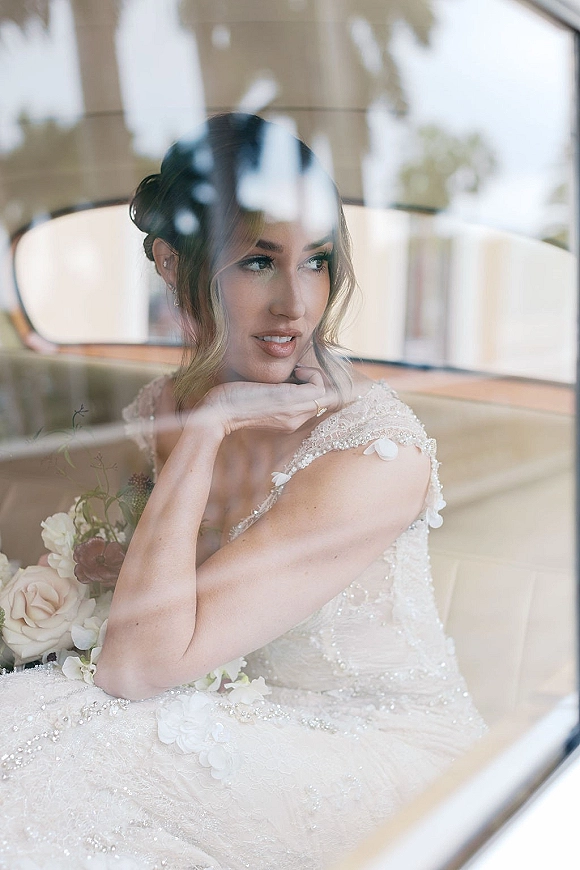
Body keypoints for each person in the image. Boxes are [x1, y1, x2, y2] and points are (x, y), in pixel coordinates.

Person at [0, 113, 486, 870]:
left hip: (378, 753)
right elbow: (154, 621)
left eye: (316, 262)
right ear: (171, 262)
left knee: (80, 777)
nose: (295, 302)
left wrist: (202, 433)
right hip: (219, 713)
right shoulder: (162, 405)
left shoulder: (373, 449)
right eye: (259, 263)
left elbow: (134, 668)